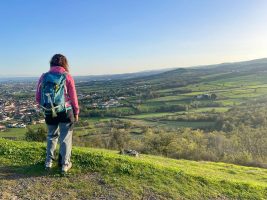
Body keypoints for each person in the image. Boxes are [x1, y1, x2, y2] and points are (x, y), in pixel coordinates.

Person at [36, 54, 79, 173]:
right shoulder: (67, 76)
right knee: (65, 138)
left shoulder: (44, 76)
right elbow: (73, 97)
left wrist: (47, 107)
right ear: (64, 64)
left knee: (51, 136)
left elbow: (38, 97)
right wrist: (76, 111)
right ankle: (65, 165)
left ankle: (48, 162)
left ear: (51, 63)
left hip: (49, 111)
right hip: (65, 111)